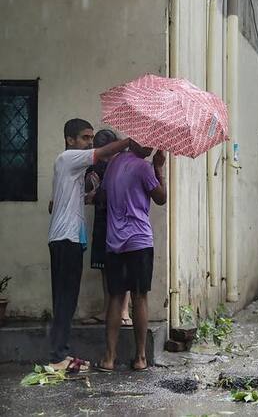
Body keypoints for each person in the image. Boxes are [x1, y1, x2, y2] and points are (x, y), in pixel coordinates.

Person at [47, 119, 130, 372]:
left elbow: (54, 205)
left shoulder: (69, 166)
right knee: (65, 299)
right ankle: (58, 357)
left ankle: (60, 353)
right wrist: (130, 141)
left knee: (66, 299)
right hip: (66, 239)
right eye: (85, 137)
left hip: (67, 238)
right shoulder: (68, 158)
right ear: (70, 140)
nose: (90, 142)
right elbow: (104, 152)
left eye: (91, 137)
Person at [96, 140, 166, 372]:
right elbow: (161, 197)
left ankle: (109, 358)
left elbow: (103, 195)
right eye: (148, 143)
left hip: (114, 241)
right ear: (135, 140)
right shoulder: (144, 167)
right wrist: (159, 168)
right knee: (139, 297)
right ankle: (140, 357)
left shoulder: (115, 163)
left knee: (116, 297)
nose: (151, 147)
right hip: (139, 241)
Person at [82, 130, 132, 327]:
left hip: (123, 219)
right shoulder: (95, 165)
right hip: (103, 218)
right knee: (104, 266)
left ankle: (125, 310)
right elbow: (89, 193)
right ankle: (107, 309)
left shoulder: (125, 164)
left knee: (125, 264)